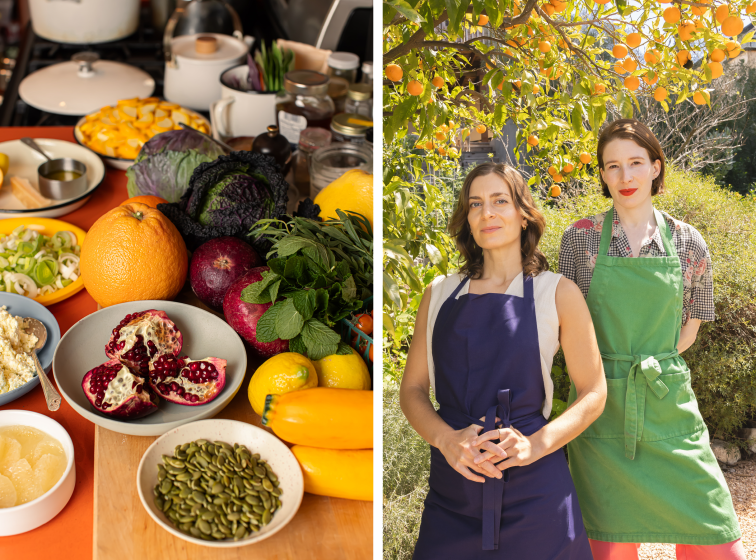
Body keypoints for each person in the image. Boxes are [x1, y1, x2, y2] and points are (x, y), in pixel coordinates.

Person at [557, 119, 745, 560]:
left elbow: (690, 330)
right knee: (608, 546)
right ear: (601, 175)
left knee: (717, 538)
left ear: (656, 167)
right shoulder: (579, 239)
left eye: (636, 163)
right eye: (613, 166)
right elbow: (566, 327)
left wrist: (649, 363)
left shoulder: (688, 241)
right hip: (600, 407)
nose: (625, 177)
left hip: (667, 404)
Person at [401, 162, 607, 559]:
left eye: (500, 200)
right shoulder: (438, 293)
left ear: (523, 213)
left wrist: (534, 445)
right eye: (475, 203)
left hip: (536, 491)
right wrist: (446, 439)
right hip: (453, 486)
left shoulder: (558, 293)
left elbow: (594, 392)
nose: (487, 212)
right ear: (467, 218)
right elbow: (412, 389)